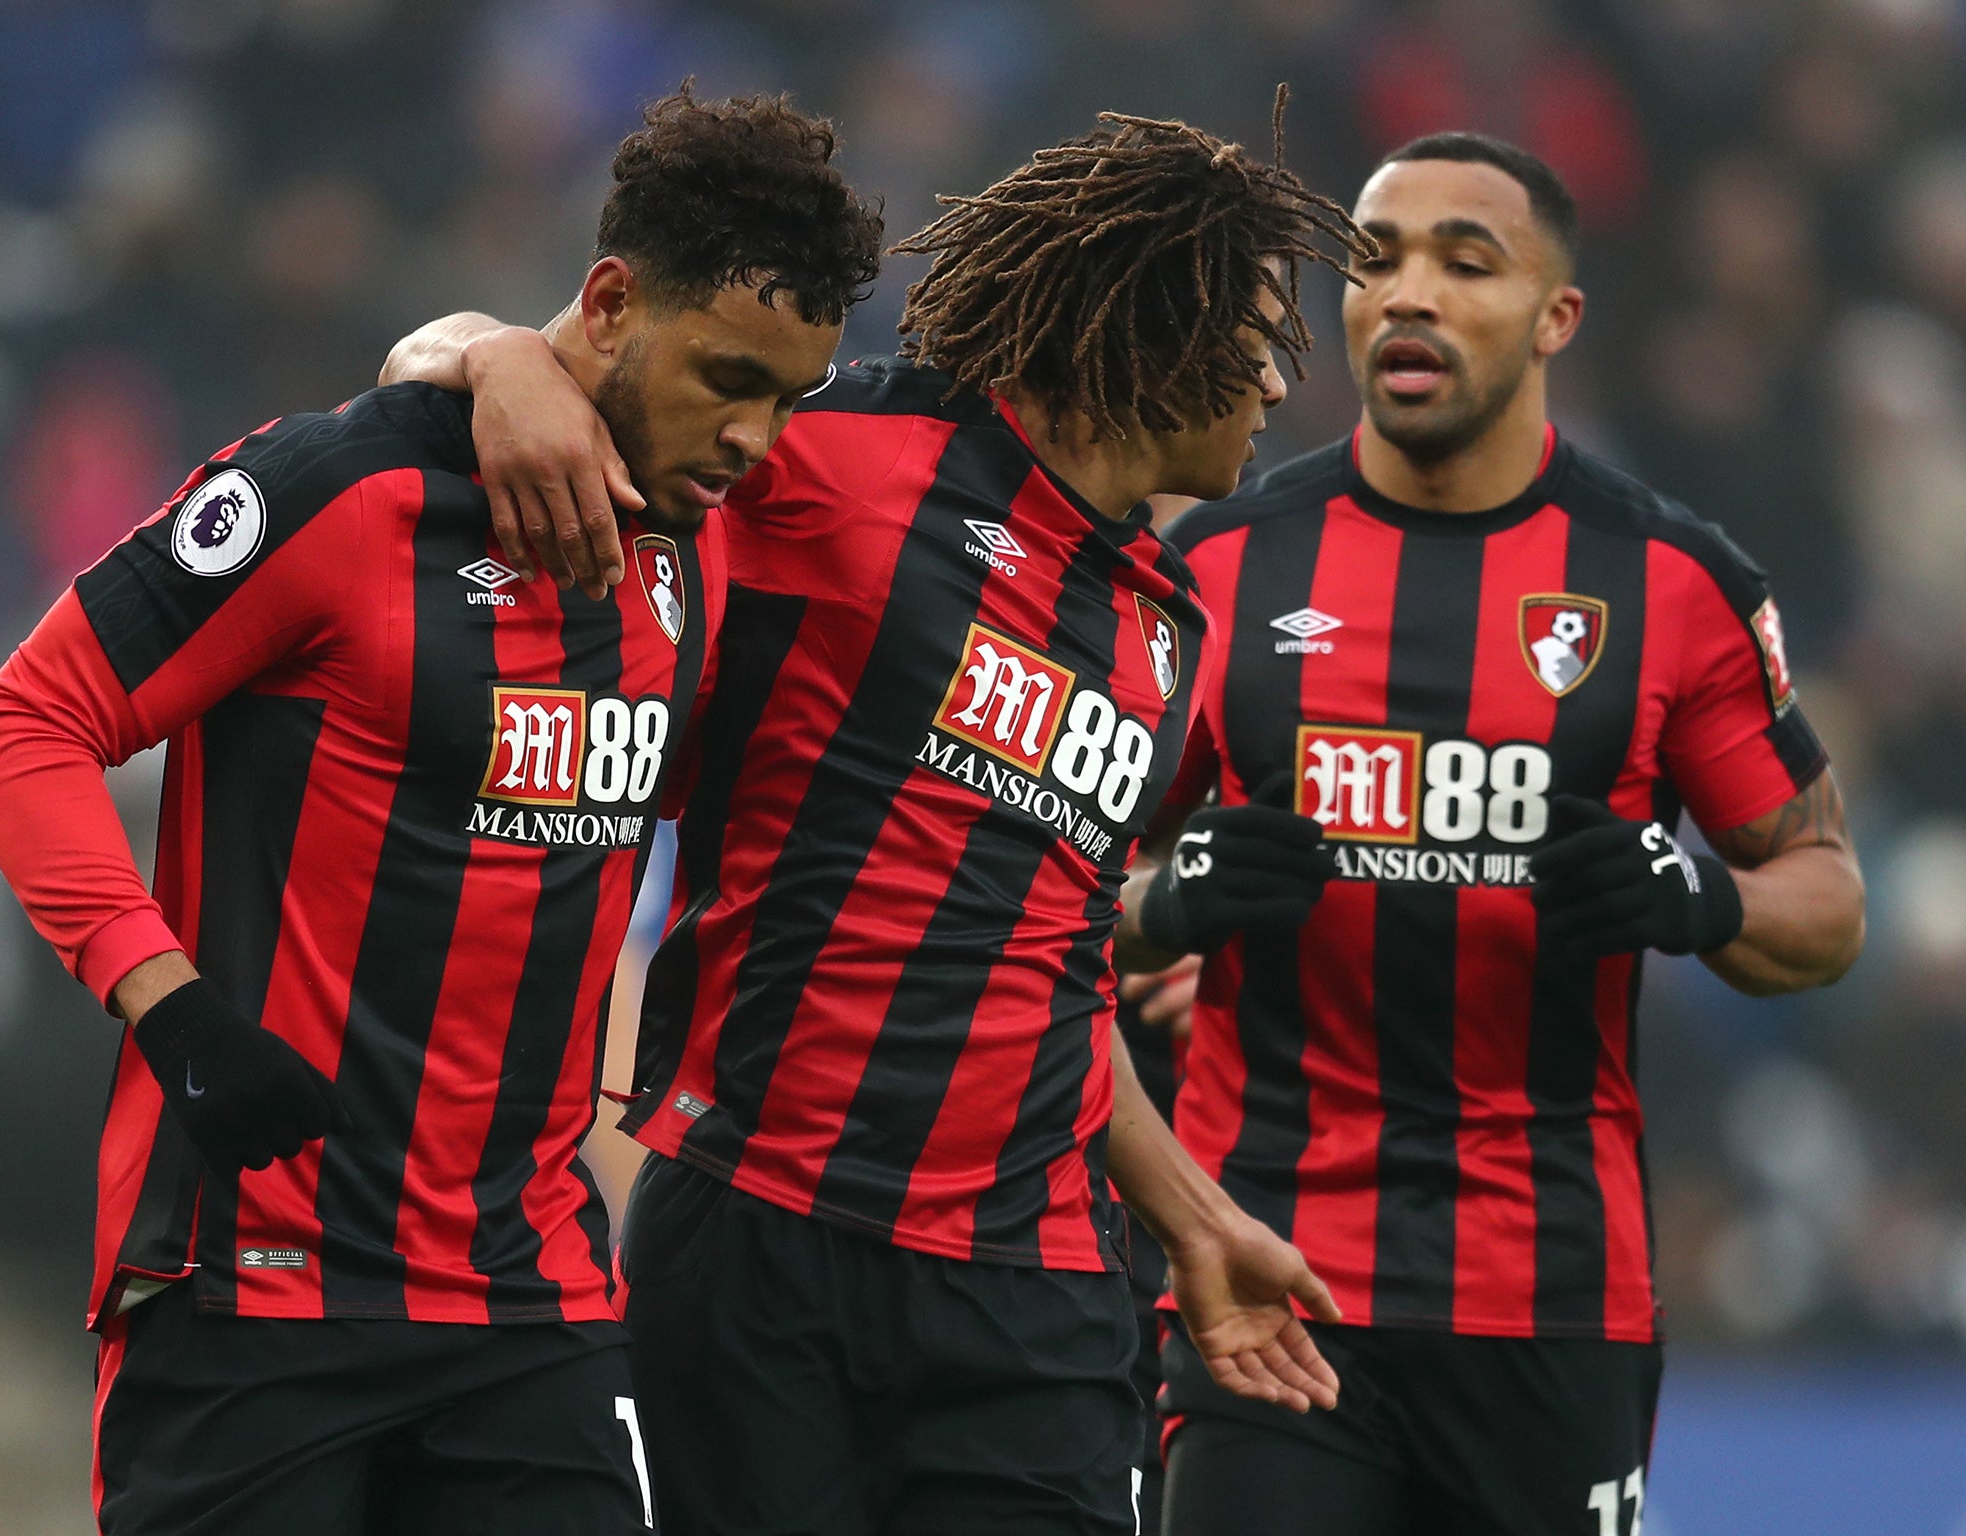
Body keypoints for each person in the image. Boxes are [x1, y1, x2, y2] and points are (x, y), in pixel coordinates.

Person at [384, 92, 1372, 1536]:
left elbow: (1053, 965)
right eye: (1259, 343)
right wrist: (495, 363)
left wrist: (1201, 1224)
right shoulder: (842, 460)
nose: (1281, 393)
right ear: (1155, 322)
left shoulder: (1171, 628)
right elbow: (468, 362)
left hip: (1035, 1294)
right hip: (764, 1241)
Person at [0, 88, 882, 1536]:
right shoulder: (341, 492)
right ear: (614, 301)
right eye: (726, 377)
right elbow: (25, 724)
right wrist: (174, 1009)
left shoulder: (691, 569)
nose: (755, 438)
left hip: (534, 1304)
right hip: (258, 1287)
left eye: (790, 399)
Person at [1117, 133, 1866, 1536]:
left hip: (1555, 1299)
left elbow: (1827, 905)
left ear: (1556, 317)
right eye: (1376, 259)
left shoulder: (1672, 580)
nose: (1409, 293)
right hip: (1272, 1276)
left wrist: (1697, 899)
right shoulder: (1218, 565)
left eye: (1467, 263)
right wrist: (1168, 898)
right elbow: (1038, 888)